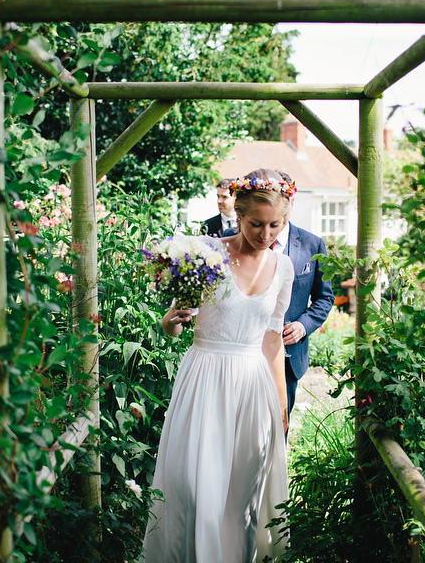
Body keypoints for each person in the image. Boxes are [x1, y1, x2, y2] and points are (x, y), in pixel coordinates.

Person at [140, 168, 295, 563]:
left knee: (243, 491)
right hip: (205, 376)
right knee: (193, 484)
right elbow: (174, 323)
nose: (266, 234)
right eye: (256, 223)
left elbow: (272, 337)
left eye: (275, 225)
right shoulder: (205, 255)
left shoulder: (285, 268)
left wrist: (280, 404)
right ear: (238, 215)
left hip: (252, 385)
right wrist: (171, 322)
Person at [269, 171, 334, 422]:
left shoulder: (313, 244)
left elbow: (324, 297)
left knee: (279, 426)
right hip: (246, 349)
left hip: (289, 354)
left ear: (292, 201)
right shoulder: (246, 239)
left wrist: (303, 326)